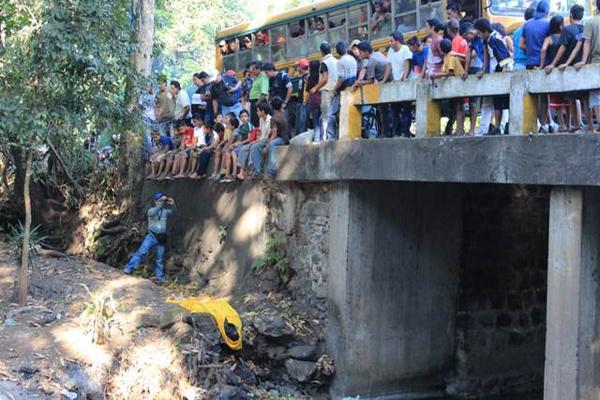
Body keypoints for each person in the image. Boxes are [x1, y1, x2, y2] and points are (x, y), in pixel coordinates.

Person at [546, 5, 587, 132]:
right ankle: (583, 123)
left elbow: (562, 48)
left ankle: (575, 124)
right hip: (584, 66)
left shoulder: (567, 30)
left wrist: (553, 63)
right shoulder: (585, 28)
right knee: (585, 98)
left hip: (570, 67)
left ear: (570, 16)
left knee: (572, 98)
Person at [123, 193, 176, 284]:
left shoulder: (165, 211)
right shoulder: (151, 210)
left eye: (162, 200)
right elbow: (156, 210)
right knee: (141, 252)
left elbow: (174, 213)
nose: (161, 202)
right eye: (159, 200)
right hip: (151, 236)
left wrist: (173, 204)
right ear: (155, 201)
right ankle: (128, 268)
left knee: (159, 259)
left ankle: (160, 278)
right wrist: (162, 202)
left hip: (161, 238)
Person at [474, 18, 514, 135]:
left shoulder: (494, 39)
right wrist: (483, 70)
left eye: (480, 33)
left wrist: (503, 71)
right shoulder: (487, 40)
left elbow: (504, 57)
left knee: (503, 101)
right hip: (496, 70)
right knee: (497, 101)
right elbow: (486, 55)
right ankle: (497, 127)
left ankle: (503, 125)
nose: (479, 36)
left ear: (485, 31)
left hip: (502, 70)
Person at [521, 0, 551, 132]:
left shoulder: (527, 25)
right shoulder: (548, 25)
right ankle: (544, 124)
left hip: (530, 63)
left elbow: (522, 45)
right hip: (544, 64)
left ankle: (534, 124)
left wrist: (531, 49)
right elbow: (549, 43)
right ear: (547, 12)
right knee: (545, 96)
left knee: (532, 94)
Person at [354, 40, 391, 137]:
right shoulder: (378, 54)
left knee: (383, 112)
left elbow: (370, 81)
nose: (359, 55)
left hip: (384, 87)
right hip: (388, 84)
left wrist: (360, 82)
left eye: (361, 52)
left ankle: (385, 133)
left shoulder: (371, 62)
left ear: (366, 52)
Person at [576, 0, 600, 132]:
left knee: (596, 94)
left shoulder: (590, 22)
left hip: (596, 63)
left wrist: (583, 61)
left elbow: (587, 43)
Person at [250, 97, 289, 178]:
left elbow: (274, 135)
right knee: (255, 146)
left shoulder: (273, 119)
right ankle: (257, 171)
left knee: (272, 145)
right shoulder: (284, 114)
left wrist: (267, 147)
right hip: (283, 137)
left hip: (281, 138)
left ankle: (271, 170)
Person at [327, 41, 357, 140]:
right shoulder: (352, 58)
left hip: (343, 89)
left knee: (332, 113)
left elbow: (342, 78)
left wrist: (334, 89)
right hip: (353, 88)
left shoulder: (340, 61)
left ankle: (331, 136)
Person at [386, 32, 413, 137]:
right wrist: (385, 80)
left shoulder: (405, 49)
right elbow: (389, 66)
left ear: (397, 41)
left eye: (391, 41)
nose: (390, 43)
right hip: (395, 84)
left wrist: (404, 77)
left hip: (404, 84)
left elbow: (407, 64)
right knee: (394, 110)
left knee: (406, 109)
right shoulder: (390, 51)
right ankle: (396, 132)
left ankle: (405, 132)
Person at [309, 42, 338, 139]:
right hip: (336, 90)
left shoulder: (324, 63)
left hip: (327, 91)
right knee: (333, 114)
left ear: (321, 52)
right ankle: (334, 135)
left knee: (325, 116)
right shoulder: (336, 60)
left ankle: (326, 137)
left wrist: (315, 88)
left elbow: (324, 79)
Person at [461, 23, 485, 136]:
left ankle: (474, 129)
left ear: (469, 33)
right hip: (473, 69)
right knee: (471, 102)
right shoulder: (471, 42)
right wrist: (466, 70)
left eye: (466, 37)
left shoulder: (481, 37)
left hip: (480, 68)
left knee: (475, 102)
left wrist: (484, 69)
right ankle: (472, 129)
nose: (466, 40)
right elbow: (468, 54)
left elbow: (483, 54)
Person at [288, 59, 309, 136]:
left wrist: (305, 100)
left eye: (298, 66)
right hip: (299, 102)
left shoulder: (307, 77)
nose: (297, 68)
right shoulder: (302, 77)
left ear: (301, 67)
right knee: (299, 122)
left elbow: (308, 90)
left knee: (303, 122)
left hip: (304, 102)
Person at [306, 60, 323, 142]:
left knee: (315, 122)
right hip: (323, 100)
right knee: (323, 120)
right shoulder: (322, 76)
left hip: (314, 101)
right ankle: (324, 137)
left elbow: (307, 89)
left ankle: (317, 138)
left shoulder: (310, 77)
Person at [249, 61, 269, 127]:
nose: (252, 71)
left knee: (258, 121)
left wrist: (258, 102)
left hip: (259, 101)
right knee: (255, 121)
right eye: (251, 69)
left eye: (254, 69)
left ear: (259, 69)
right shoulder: (256, 77)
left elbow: (264, 92)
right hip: (254, 102)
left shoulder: (263, 77)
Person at [139, 84, 156, 157]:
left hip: (152, 118)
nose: (147, 88)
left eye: (148, 86)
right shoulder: (144, 96)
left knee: (151, 137)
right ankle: (150, 154)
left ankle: (152, 153)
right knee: (148, 137)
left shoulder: (154, 96)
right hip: (148, 117)